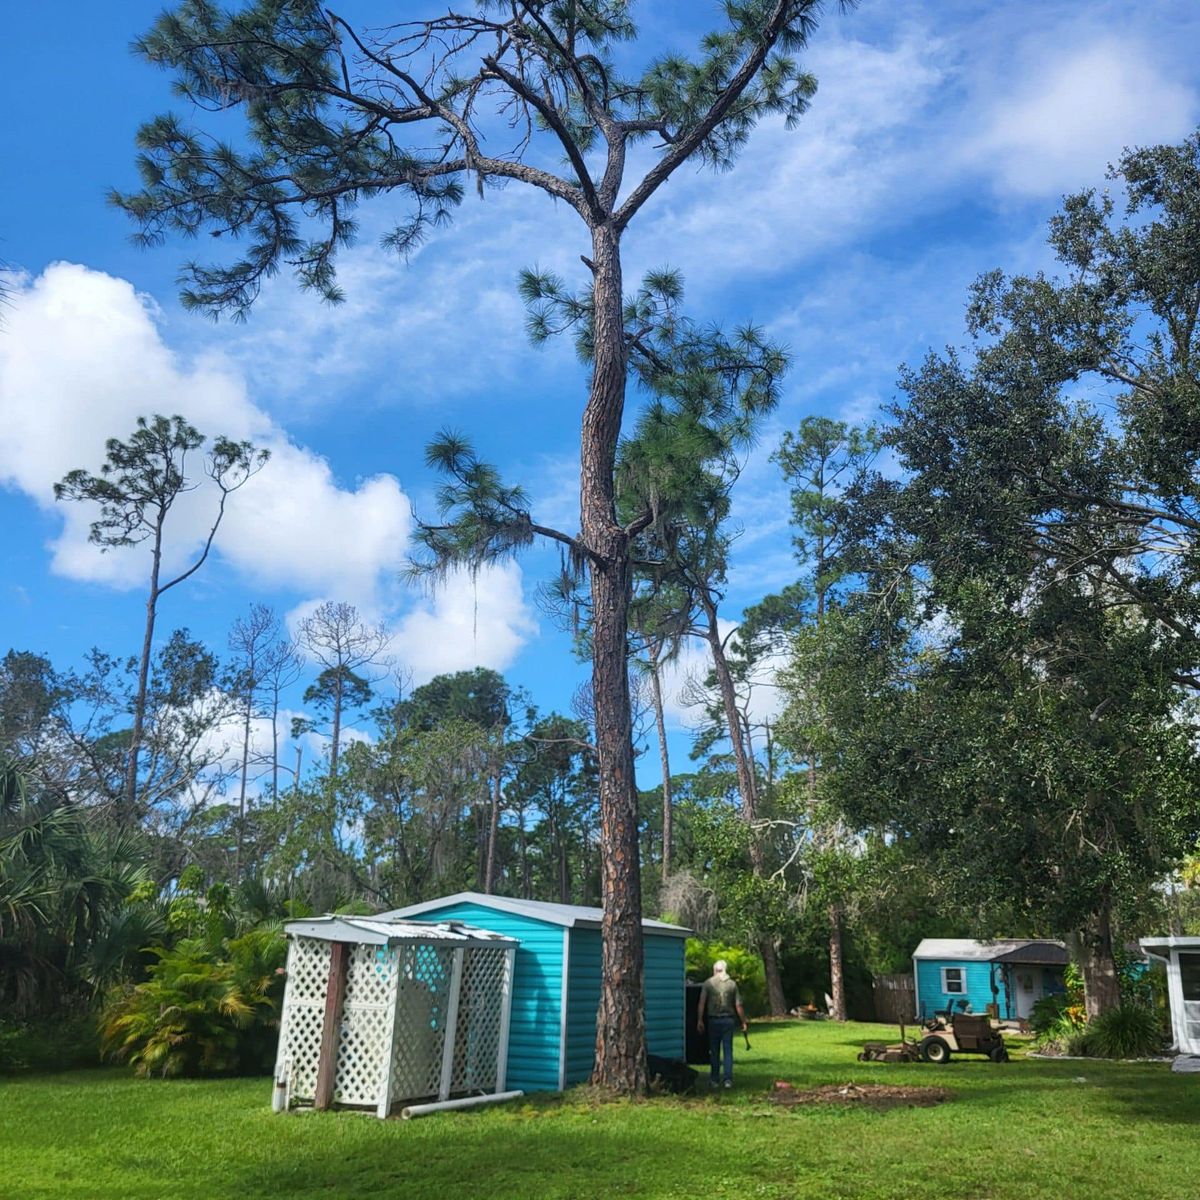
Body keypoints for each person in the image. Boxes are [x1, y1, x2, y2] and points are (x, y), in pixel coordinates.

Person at [696, 959, 747, 1089]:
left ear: (715, 970)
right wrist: (743, 1021)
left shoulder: (708, 984)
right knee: (728, 1050)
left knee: (714, 1051)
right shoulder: (732, 985)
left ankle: (714, 1080)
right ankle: (728, 1080)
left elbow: (702, 1003)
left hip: (713, 1020)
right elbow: (738, 1005)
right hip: (728, 1020)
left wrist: (700, 1020)